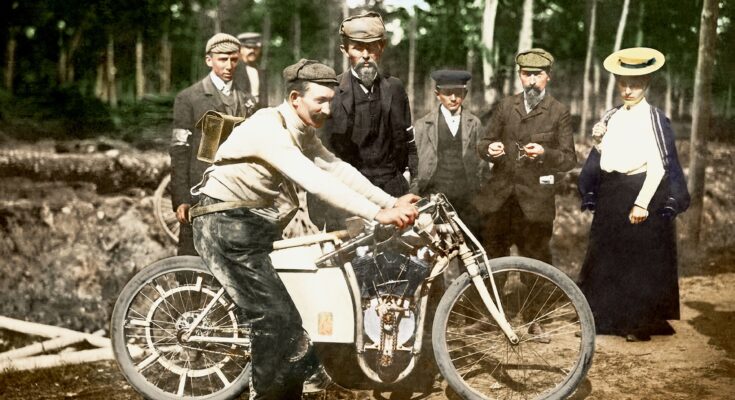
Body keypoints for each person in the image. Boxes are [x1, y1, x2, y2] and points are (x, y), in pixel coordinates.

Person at [190, 59, 419, 399]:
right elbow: (315, 181)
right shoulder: (270, 128)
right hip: (224, 224)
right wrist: (376, 213)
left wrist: (390, 202)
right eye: (320, 101)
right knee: (274, 319)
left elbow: (336, 168)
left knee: (294, 314)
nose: (328, 109)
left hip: (252, 224)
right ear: (296, 98)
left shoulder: (301, 129)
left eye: (331, 100)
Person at [578, 47, 690, 342]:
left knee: (636, 260)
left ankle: (636, 322)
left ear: (647, 84)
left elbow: (659, 166)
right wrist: (599, 142)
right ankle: (607, 318)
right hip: (611, 192)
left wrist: (642, 203)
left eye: (635, 84)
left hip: (639, 191)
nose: (628, 90)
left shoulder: (653, 118)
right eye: (623, 83)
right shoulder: (613, 115)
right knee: (607, 255)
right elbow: (605, 158)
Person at [476, 48, 576, 341]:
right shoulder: (506, 107)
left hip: (535, 202)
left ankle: (535, 319)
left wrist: (545, 153)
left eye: (537, 75)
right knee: (493, 256)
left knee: (537, 260)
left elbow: (569, 158)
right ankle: (492, 316)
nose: (531, 81)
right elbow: (484, 142)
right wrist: (490, 150)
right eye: (526, 75)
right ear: (520, 76)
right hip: (501, 199)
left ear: (548, 77)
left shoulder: (559, 112)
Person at [311, 11, 417, 230]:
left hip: (393, 192)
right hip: (350, 198)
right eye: (358, 47)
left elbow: (409, 143)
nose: (366, 55)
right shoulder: (332, 93)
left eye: (372, 47)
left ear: (382, 47)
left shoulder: (395, 89)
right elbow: (320, 157)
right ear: (345, 50)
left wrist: (409, 183)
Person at [170, 33, 256, 256]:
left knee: (235, 260)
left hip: (239, 193)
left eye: (234, 60)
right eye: (222, 59)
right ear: (209, 60)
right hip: (200, 192)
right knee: (192, 261)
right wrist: (181, 199)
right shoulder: (189, 98)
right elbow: (179, 150)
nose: (229, 65)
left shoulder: (248, 101)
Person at [411, 69, 485, 239]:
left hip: (467, 199)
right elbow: (414, 163)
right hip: (434, 198)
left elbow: (482, 164)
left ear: (465, 94)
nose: (453, 98)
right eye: (447, 93)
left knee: (470, 249)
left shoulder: (474, 124)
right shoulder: (423, 125)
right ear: (438, 94)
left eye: (458, 93)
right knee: (434, 249)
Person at [234, 32, 268, 109]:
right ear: (240, 49)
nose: (252, 51)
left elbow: (264, 99)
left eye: (255, 48)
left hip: (258, 113)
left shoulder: (261, 71)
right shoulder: (233, 70)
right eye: (248, 48)